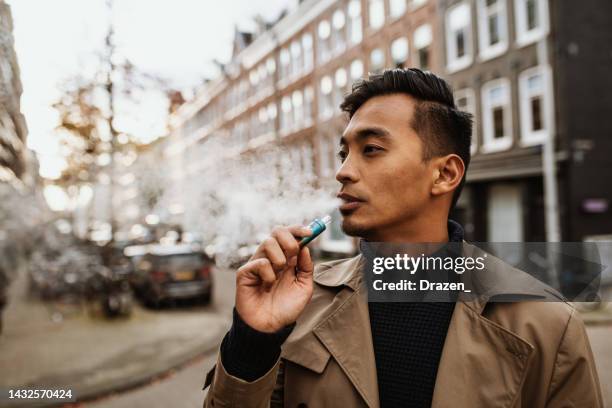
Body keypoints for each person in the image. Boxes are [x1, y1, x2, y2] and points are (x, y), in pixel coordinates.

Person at [202, 68, 603, 407]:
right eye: (344, 154)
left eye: (371, 149)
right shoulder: (299, 306)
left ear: (445, 174)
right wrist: (251, 341)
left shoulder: (546, 324)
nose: (343, 171)